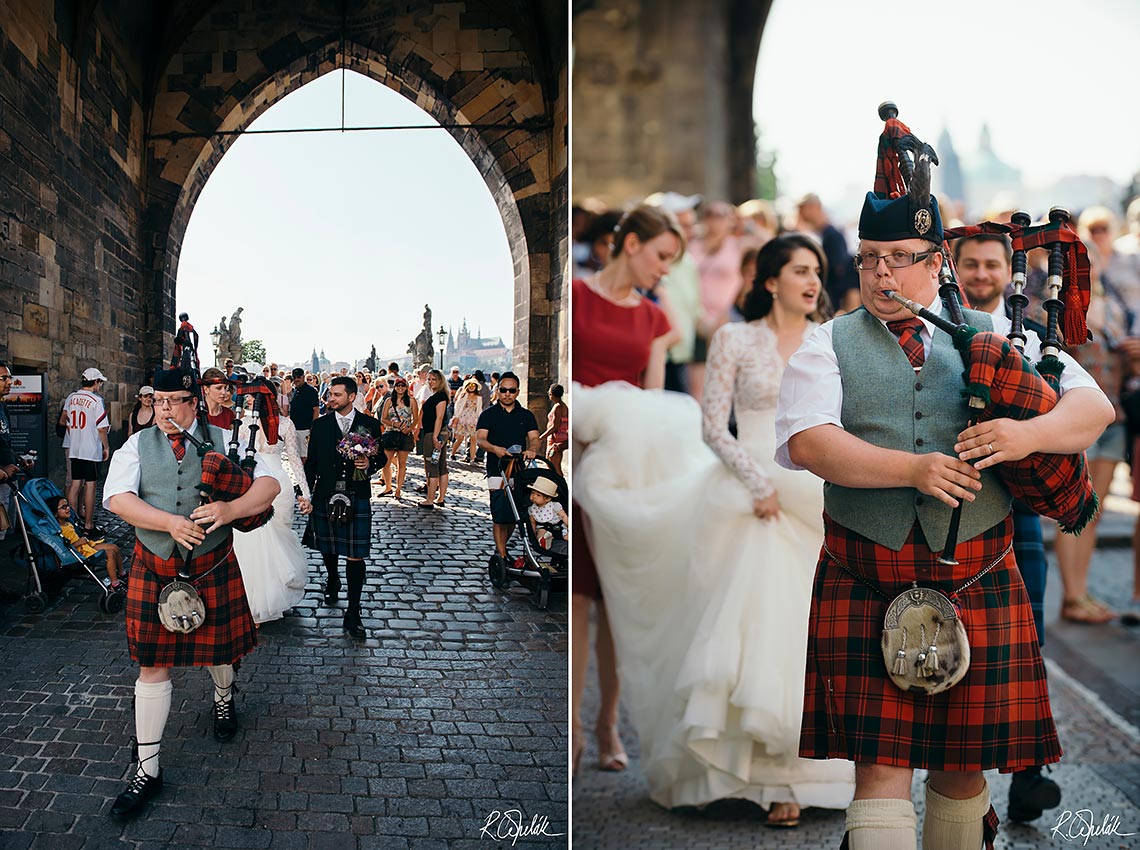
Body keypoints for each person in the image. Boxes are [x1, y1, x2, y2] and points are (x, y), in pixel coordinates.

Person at [775, 175, 1112, 848]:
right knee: (880, 771)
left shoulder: (1003, 335)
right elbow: (810, 441)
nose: (878, 271)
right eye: (869, 256)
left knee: (962, 773)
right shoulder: (827, 342)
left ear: (937, 264)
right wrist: (913, 469)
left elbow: (1093, 409)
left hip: (978, 576)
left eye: (897, 256)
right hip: (866, 573)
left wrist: (1027, 435)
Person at [102, 367, 279, 819]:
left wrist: (230, 508)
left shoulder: (229, 437)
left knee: (219, 651)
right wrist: (167, 523)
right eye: (158, 401)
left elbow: (271, 484)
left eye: (175, 401)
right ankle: (147, 770)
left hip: (211, 564)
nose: (164, 410)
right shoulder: (137, 444)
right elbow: (115, 497)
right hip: (155, 565)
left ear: (194, 402)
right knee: (152, 665)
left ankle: (223, 700)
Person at [952, 230, 1070, 820]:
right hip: (956, 502)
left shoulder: (1031, 332)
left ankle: (1029, 770)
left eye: (991, 264)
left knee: (1029, 631)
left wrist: (1028, 433)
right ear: (954, 264)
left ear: (1009, 270)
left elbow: (1084, 408)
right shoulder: (942, 325)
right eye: (969, 263)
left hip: (1018, 507)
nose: (979, 273)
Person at [571, 204, 679, 778]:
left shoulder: (655, 320)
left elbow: (653, 406)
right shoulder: (576, 296)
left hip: (620, 467)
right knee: (576, 597)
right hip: (572, 456)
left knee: (613, 602)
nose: (665, 271)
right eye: (662, 257)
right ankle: (571, 728)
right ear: (631, 243)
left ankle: (606, 721)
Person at [303, 376, 383, 639]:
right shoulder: (321, 425)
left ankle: (353, 611)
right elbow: (312, 461)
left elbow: (380, 456)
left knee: (355, 554)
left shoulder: (369, 424)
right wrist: (307, 494)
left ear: (351, 396)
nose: (331, 399)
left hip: (357, 493)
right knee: (328, 546)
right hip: (326, 492)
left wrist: (369, 465)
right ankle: (333, 578)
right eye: (330, 395)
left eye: (337, 395)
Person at [232, 380, 313, 624]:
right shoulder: (241, 423)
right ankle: (253, 600)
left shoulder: (285, 424)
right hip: (253, 485)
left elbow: (295, 460)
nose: (248, 400)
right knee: (251, 542)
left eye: (253, 395)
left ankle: (272, 596)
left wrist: (305, 493)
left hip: (278, 487)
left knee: (272, 539)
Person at [477, 369, 540, 552]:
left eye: (511, 391)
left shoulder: (526, 415)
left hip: (518, 469)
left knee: (514, 514)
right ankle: (502, 555)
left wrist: (532, 449)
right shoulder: (488, 414)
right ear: (498, 390)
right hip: (496, 469)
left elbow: (535, 438)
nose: (507, 394)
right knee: (499, 512)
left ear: (517, 392)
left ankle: (501, 547)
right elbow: (481, 439)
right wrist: (494, 449)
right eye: (504, 390)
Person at [60, 367, 110, 539]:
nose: (100, 386)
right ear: (95, 382)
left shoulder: (71, 397)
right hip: (90, 449)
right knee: (90, 486)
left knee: (75, 485)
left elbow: (65, 419)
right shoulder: (96, 400)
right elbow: (102, 428)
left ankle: (72, 524)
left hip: (75, 448)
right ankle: (88, 524)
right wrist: (106, 447)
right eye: (100, 383)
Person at [795, 192, 860, 314]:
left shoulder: (832, 236)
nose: (800, 214)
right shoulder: (823, 235)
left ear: (814, 207)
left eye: (802, 209)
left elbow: (838, 272)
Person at [50, 495, 125, 591]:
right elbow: (64, 549)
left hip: (85, 545)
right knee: (110, 553)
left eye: (67, 505)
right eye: (63, 507)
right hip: (79, 552)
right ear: (55, 513)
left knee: (114, 547)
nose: (68, 508)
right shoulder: (59, 530)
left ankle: (122, 573)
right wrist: (79, 542)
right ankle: (114, 583)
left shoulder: (68, 523)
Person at [379, 377, 418, 500]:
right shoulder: (390, 401)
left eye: (403, 385)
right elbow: (383, 418)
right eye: (398, 385)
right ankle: (388, 486)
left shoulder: (411, 401)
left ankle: (398, 489)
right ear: (394, 387)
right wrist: (393, 424)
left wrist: (410, 429)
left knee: (402, 464)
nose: (400, 388)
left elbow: (416, 418)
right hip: (391, 433)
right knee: (386, 462)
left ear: (406, 387)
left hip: (404, 435)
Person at [417, 369, 451, 508]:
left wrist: (435, 437)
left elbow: (439, 418)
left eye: (434, 379)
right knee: (441, 466)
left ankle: (430, 499)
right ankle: (440, 498)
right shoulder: (437, 395)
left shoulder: (441, 396)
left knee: (432, 465)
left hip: (434, 433)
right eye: (429, 379)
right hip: (435, 433)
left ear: (440, 381)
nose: (430, 382)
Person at [449, 377, 484, 462]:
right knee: (460, 438)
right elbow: (458, 406)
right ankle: (452, 453)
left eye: (473, 385)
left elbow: (479, 409)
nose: (471, 387)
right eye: (470, 385)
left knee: (473, 439)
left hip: (473, 419)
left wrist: (480, 419)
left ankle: (472, 458)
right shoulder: (464, 395)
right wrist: (456, 417)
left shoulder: (479, 397)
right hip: (463, 418)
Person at [288, 366, 320, 459]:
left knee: (304, 454)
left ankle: (304, 473)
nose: (296, 379)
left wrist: (313, 427)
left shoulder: (311, 391)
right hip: (295, 428)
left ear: (303, 377)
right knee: (297, 454)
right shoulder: (295, 390)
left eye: (299, 377)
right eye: (294, 377)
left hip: (305, 428)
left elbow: (316, 409)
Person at [527, 476, 568, 548]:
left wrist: (568, 525)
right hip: (543, 527)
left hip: (558, 526)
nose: (534, 496)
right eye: (532, 493)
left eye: (538, 495)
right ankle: (544, 540)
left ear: (548, 499)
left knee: (565, 536)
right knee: (540, 532)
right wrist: (533, 535)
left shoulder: (555, 506)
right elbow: (532, 522)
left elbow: (563, 516)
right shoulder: (532, 509)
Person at [538, 384, 568, 475]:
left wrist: (541, 437)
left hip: (556, 440)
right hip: (554, 439)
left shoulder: (558, 407)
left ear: (551, 394)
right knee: (551, 466)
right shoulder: (560, 406)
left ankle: (561, 487)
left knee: (554, 467)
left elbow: (555, 426)